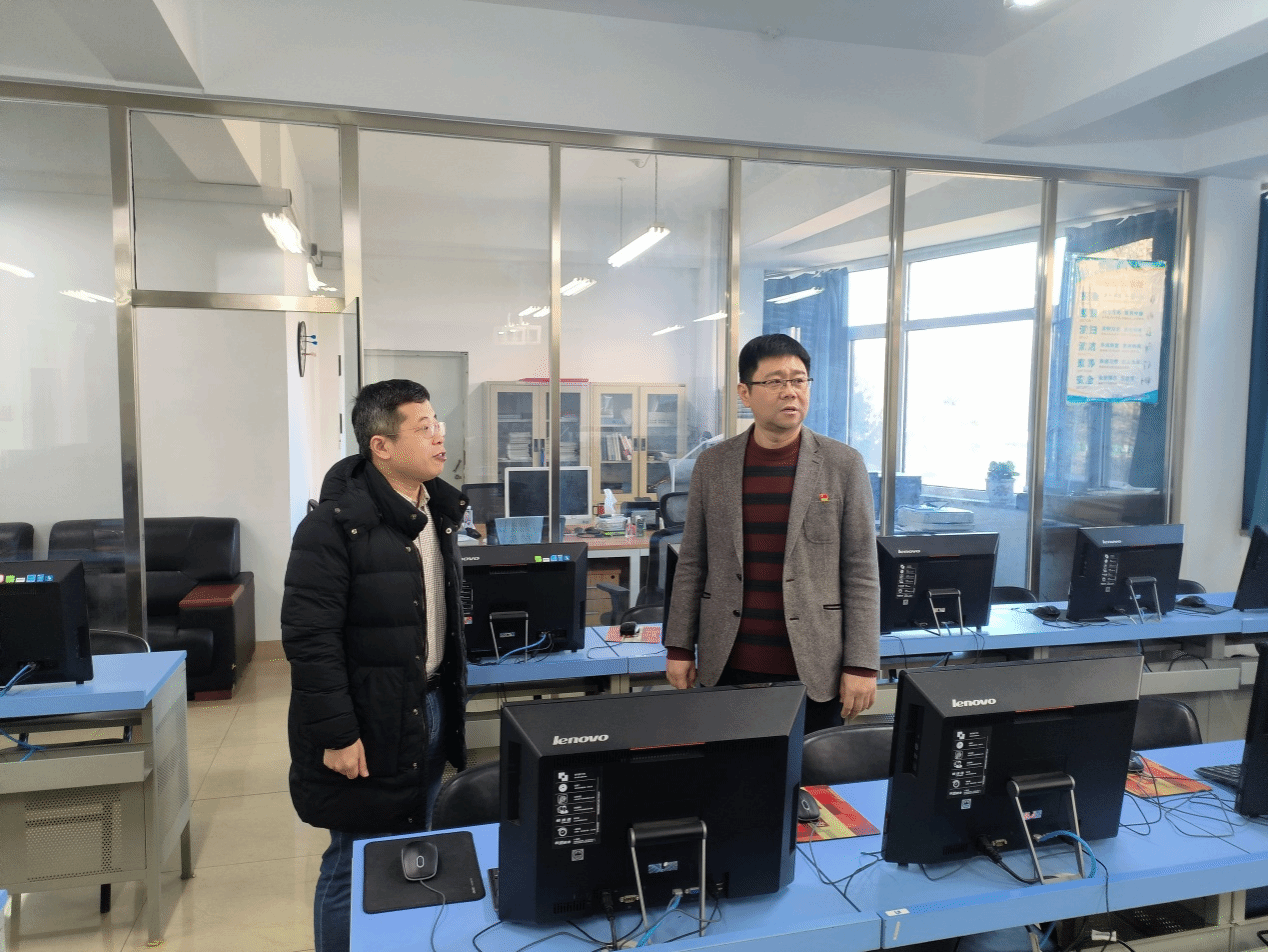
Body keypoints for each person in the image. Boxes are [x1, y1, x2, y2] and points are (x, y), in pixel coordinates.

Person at [282, 379, 469, 952]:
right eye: (424, 428)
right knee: (355, 857)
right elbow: (310, 642)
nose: (439, 438)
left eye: (438, 424)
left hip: (428, 704)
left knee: (415, 843)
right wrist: (338, 735)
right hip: (369, 717)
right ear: (381, 446)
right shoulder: (333, 527)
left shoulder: (437, 511)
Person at [664, 334, 880, 732]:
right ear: (745, 393)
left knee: (813, 768)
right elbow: (693, 560)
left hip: (816, 667)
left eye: (799, 380)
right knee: (731, 768)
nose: (790, 392)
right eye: (776, 381)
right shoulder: (713, 465)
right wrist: (679, 646)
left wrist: (862, 664)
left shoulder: (843, 464)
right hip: (728, 661)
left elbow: (861, 570)